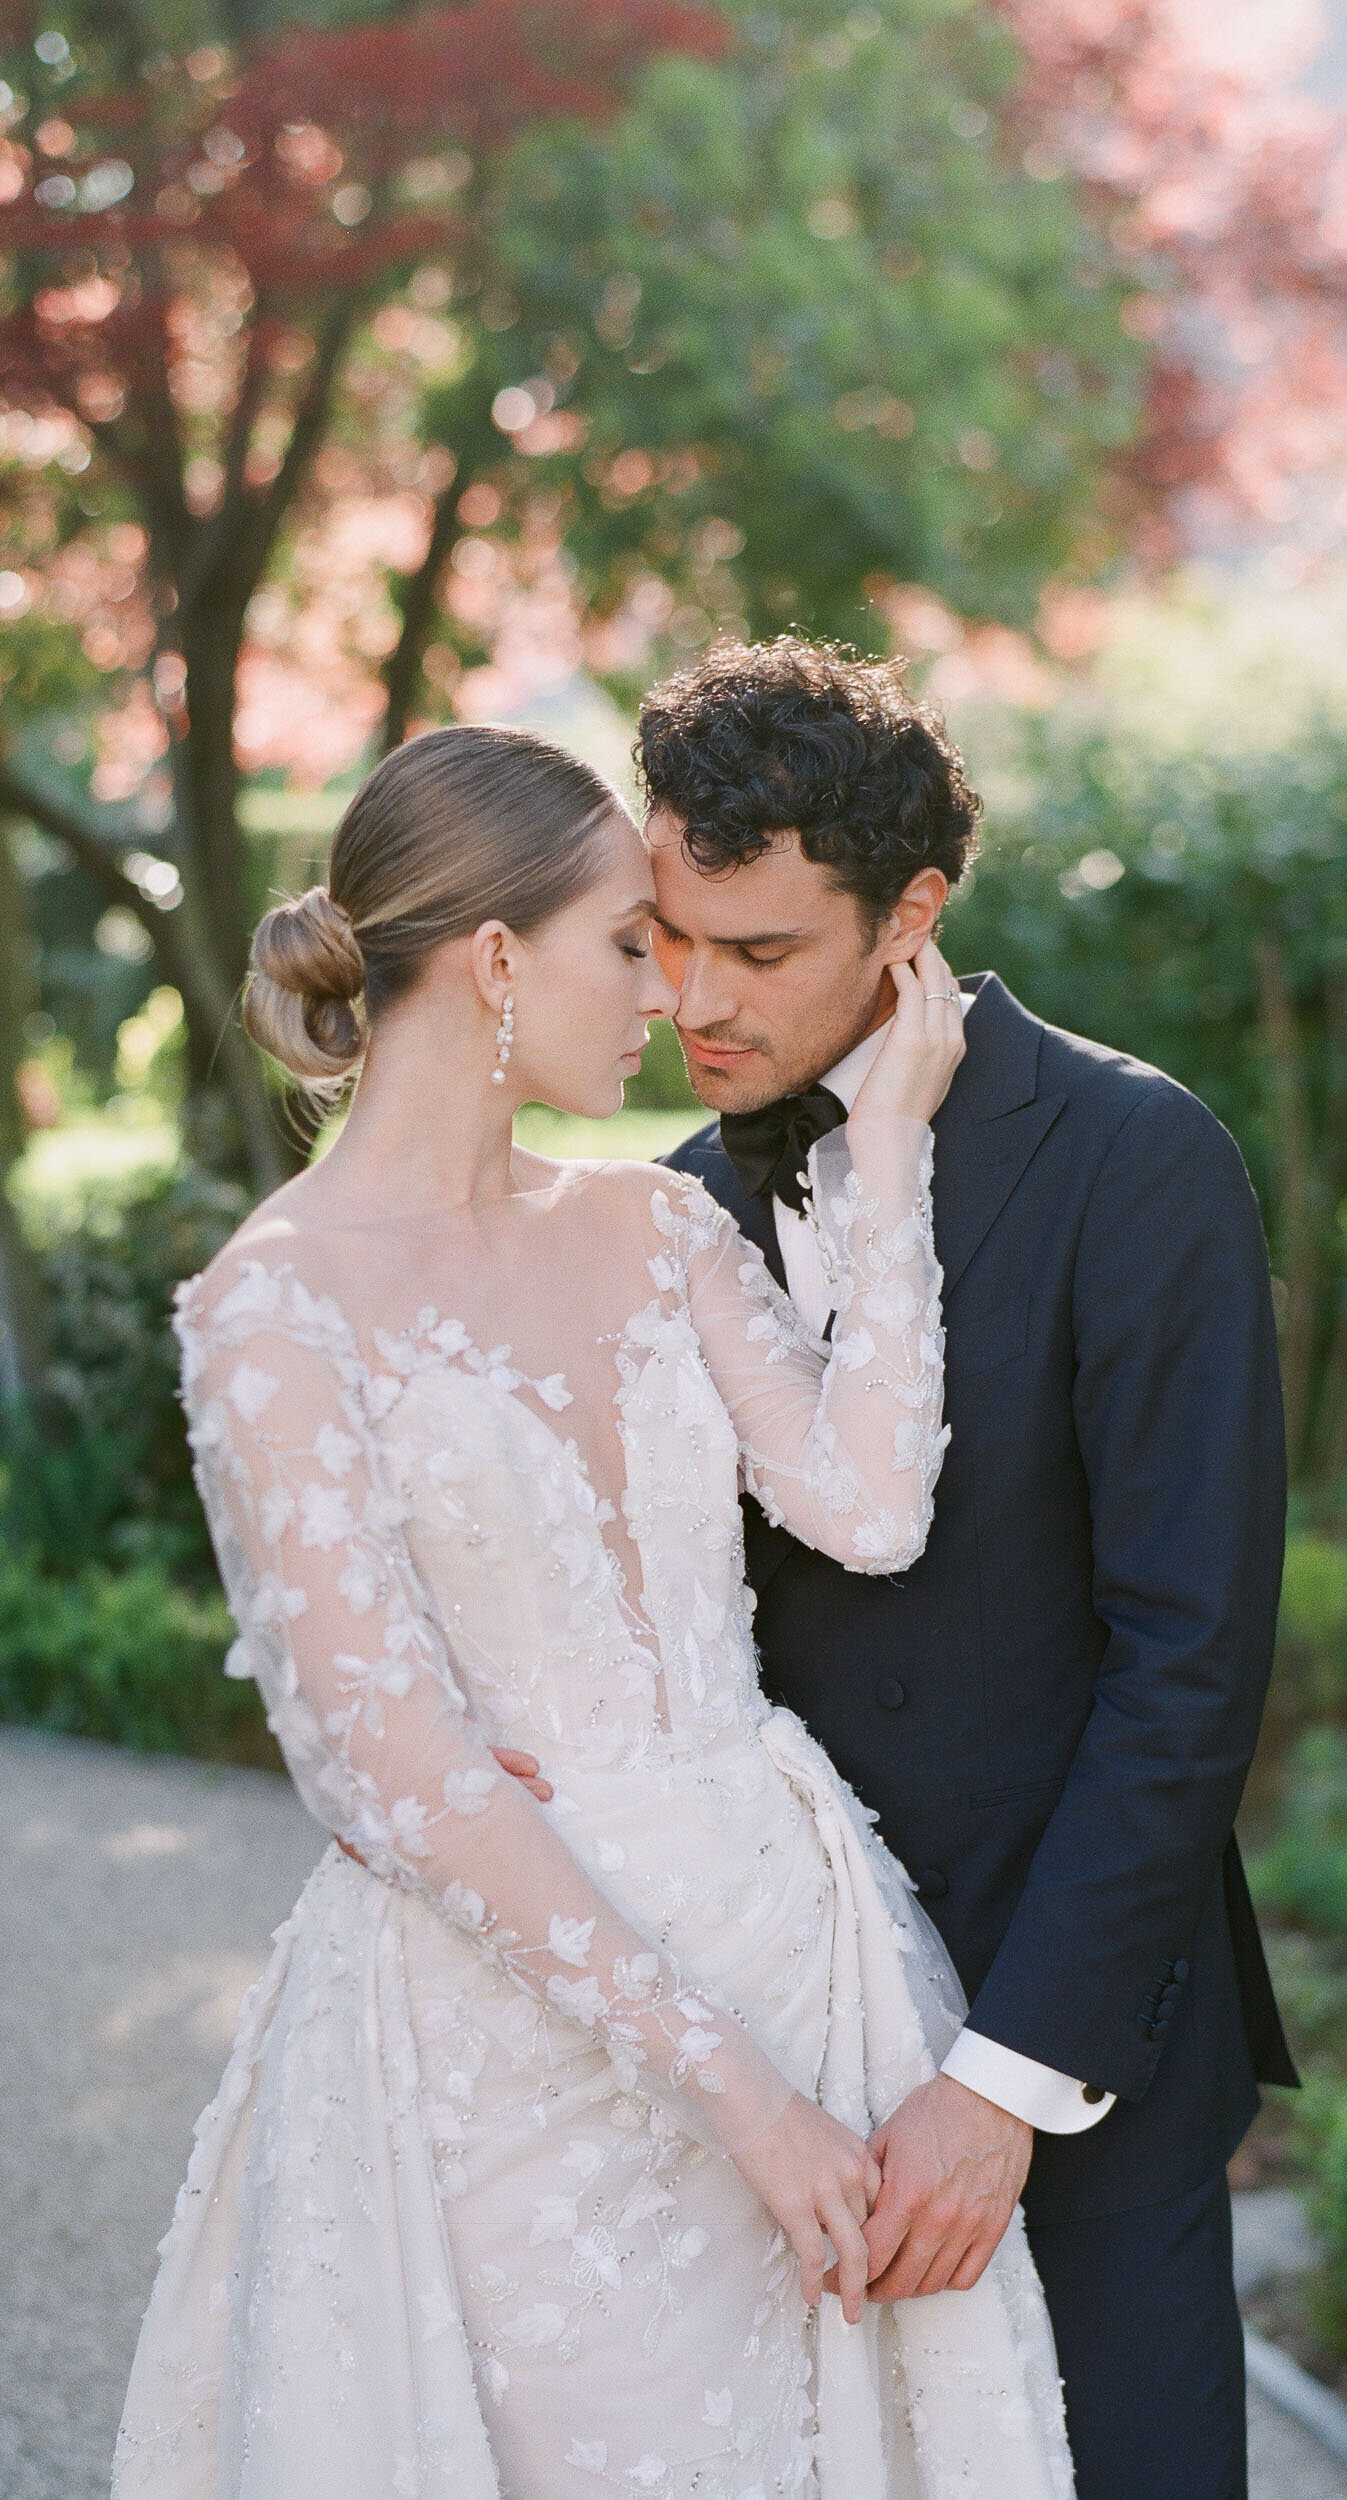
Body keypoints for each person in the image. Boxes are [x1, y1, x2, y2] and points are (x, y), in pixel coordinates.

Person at [113, 724, 1074, 2500]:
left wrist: (896, 1159)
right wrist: (737, 2095)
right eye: (632, 943)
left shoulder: (659, 1232)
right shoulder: (272, 1313)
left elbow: (865, 1511)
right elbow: (389, 1772)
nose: (672, 991)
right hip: (510, 2043)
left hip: (803, 1963)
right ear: (494, 960)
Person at [643, 639, 1298, 2500]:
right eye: (673, 936)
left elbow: (1190, 1657)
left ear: (910, 912)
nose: (695, 997)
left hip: (1072, 2036)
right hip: (796, 2048)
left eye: (758, 952)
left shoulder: (1135, 1155)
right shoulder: (678, 1204)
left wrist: (1003, 2082)